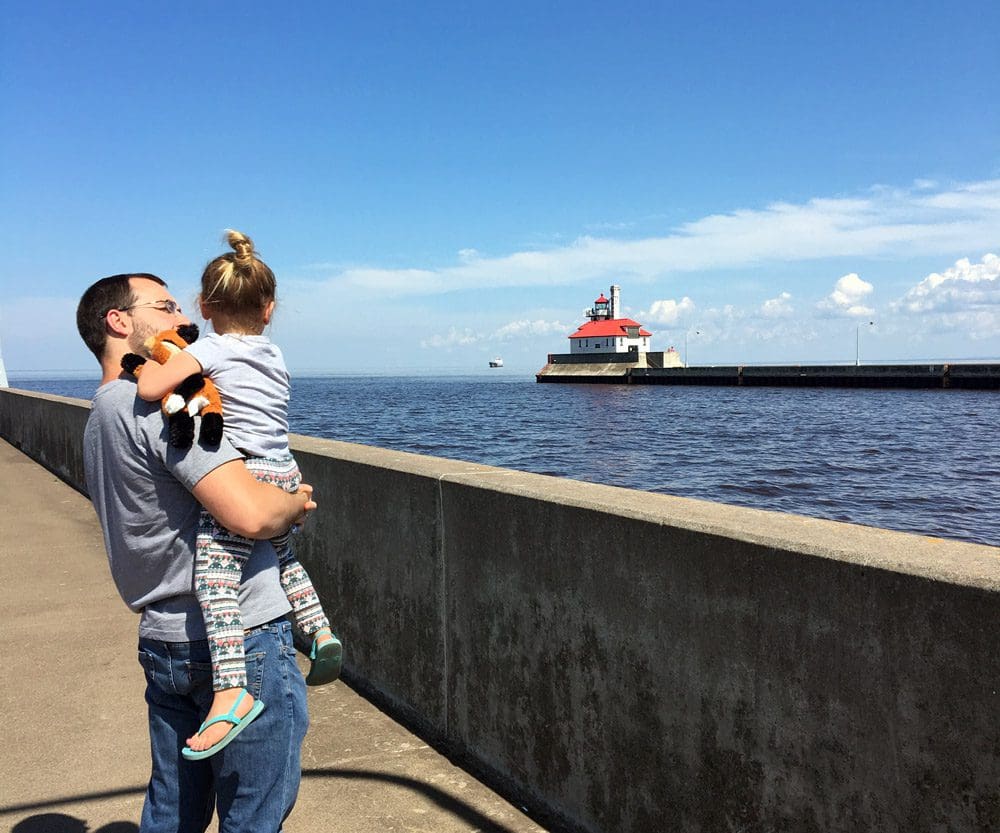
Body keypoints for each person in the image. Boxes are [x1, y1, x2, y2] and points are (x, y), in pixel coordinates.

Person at [77, 271, 313, 832]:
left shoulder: (99, 415)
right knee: (253, 815)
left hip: (164, 640)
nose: (182, 319)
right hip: (239, 641)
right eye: (163, 307)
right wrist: (295, 503)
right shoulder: (159, 407)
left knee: (172, 808)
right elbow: (250, 514)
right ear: (119, 321)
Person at [132, 230, 341, 759]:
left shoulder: (207, 348)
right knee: (282, 553)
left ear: (204, 305)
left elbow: (151, 391)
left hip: (247, 472)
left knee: (215, 579)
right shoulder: (274, 354)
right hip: (285, 468)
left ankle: (231, 688)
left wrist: (152, 363)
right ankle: (317, 632)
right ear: (269, 309)